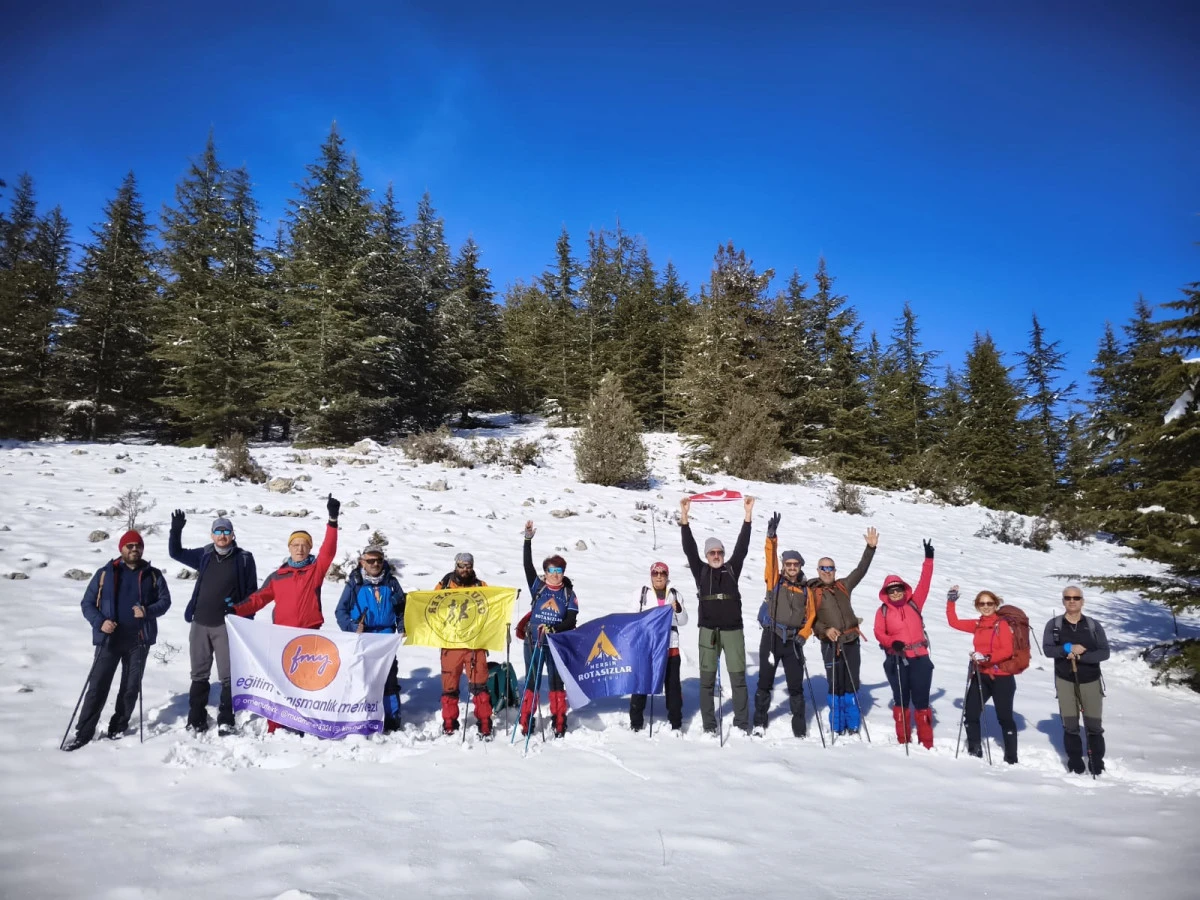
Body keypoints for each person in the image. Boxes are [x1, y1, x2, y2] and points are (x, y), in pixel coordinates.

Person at [233, 494, 340, 734]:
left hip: (309, 636)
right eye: (295, 544)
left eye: (304, 545)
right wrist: (235, 610)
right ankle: (276, 724)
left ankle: (306, 724)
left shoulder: (315, 570)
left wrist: (332, 521)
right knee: (280, 683)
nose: (299, 548)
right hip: (281, 637)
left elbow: (329, 552)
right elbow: (258, 599)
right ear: (289, 548)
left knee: (308, 683)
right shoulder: (278, 576)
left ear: (309, 548)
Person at [63, 531, 171, 751]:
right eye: (129, 545)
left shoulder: (153, 575)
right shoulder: (105, 573)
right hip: (109, 640)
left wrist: (147, 611)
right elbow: (87, 604)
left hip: (138, 641)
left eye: (137, 545)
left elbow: (165, 601)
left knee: (130, 688)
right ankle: (83, 733)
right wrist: (100, 622)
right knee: (97, 687)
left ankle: (118, 727)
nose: (133, 549)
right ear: (121, 548)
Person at [169, 512, 258, 735]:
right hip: (200, 623)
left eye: (226, 531)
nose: (222, 535)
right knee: (199, 673)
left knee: (227, 674)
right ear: (212, 535)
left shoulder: (244, 559)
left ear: (233, 535)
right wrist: (176, 530)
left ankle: (226, 718)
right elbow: (175, 553)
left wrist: (242, 616)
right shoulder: (205, 554)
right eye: (218, 531)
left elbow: (251, 594)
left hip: (225, 625)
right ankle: (196, 717)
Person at [679, 494, 755, 736]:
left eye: (719, 551)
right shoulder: (700, 571)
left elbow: (742, 548)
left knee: (738, 679)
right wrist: (684, 518)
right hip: (709, 632)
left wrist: (747, 516)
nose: (715, 555)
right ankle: (709, 724)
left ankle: (742, 723)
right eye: (711, 552)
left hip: (733, 631)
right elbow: (689, 548)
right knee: (707, 681)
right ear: (706, 554)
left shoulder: (732, 569)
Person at [753, 511, 816, 737]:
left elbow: (811, 616)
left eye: (795, 565)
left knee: (795, 686)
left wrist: (804, 635)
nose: (791, 568)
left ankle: (799, 727)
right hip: (771, 637)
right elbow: (770, 559)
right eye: (788, 564)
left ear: (800, 566)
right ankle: (759, 722)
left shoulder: (806, 590)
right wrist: (771, 537)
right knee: (765, 682)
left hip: (793, 641)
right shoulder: (774, 581)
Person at [811, 527, 879, 734]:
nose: (827, 571)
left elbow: (861, 570)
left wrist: (870, 548)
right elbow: (810, 621)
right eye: (823, 568)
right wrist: (825, 630)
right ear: (818, 571)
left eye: (830, 568)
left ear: (835, 570)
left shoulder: (843, 586)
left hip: (851, 640)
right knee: (834, 683)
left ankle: (853, 721)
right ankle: (837, 723)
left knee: (852, 682)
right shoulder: (813, 592)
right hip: (830, 643)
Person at [334, 544, 406, 734]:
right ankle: (363, 717)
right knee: (363, 680)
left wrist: (402, 626)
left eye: (379, 560)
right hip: (363, 639)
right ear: (362, 562)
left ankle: (391, 719)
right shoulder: (355, 584)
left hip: (386, 640)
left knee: (388, 679)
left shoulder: (391, 583)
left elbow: (401, 609)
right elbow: (340, 611)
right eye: (371, 560)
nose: (375, 564)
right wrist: (351, 626)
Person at [517, 521, 578, 737]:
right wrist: (527, 540)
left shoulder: (569, 594)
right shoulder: (538, 586)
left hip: (556, 643)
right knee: (531, 681)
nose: (555, 574)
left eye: (559, 570)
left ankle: (559, 719)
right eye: (551, 570)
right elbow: (527, 566)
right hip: (533, 641)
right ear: (545, 572)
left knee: (555, 682)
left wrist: (554, 628)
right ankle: (527, 720)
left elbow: (571, 620)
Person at [873, 540, 935, 748]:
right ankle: (903, 740)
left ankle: (926, 742)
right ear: (886, 593)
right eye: (892, 591)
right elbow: (878, 633)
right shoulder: (882, 611)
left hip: (920, 659)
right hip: (896, 659)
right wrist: (893, 642)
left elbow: (924, 582)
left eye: (898, 589)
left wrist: (928, 559)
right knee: (900, 699)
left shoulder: (915, 603)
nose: (896, 593)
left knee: (922, 701)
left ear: (903, 589)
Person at [946, 586, 1019, 764]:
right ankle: (974, 750)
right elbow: (953, 622)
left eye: (989, 603)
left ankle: (1011, 757)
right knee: (970, 714)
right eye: (982, 603)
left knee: (1005, 717)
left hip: (1002, 677)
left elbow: (1007, 650)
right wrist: (951, 601)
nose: (986, 606)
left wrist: (987, 657)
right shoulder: (978, 624)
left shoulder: (1001, 624)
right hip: (981, 676)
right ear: (977, 606)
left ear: (996, 604)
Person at [1042, 586, 1111, 774]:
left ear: (1082, 601)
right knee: (1070, 725)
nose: (1072, 601)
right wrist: (1067, 648)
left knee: (1094, 725)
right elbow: (1048, 650)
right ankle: (1075, 762)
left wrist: (1083, 655)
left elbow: (1105, 653)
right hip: (1065, 680)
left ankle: (1097, 762)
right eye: (1068, 597)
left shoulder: (1093, 625)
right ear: (1063, 601)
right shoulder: (1054, 625)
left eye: (1076, 597)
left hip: (1090, 680)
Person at [433, 553, 493, 738]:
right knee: (449, 688)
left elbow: (494, 605)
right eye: (461, 565)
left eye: (468, 566)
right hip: (451, 644)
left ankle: (484, 721)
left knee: (479, 687)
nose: (465, 569)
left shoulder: (481, 586)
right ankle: (449, 722)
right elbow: (431, 607)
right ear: (456, 565)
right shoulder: (444, 585)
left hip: (475, 644)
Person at [629, 562, 688, 732]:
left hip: (670, 646)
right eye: (655, 573)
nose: (659, 576)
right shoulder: (641, 593)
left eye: (663, 573)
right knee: (641, 683)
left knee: (673, 686)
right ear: (651, 575)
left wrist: (678, 611)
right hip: (647, 646)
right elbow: (632, 618)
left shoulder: (675, 594)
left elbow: (683, 621)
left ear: (667, 575)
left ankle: (676, 723)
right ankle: (636, 723)